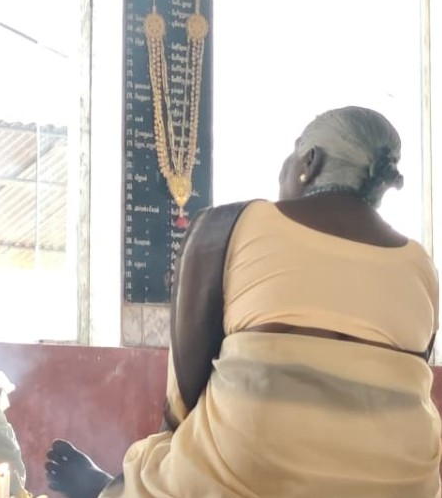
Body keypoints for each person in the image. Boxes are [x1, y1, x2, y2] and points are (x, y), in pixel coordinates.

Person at [46, 106, 442, 498]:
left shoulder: (230, 225)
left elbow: (184, 393)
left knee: (165, 457)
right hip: (407, 483)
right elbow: (402, 381)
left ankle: (114, 490)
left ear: (310, 161)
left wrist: (159, 467)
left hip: (253, 476)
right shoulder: (420, 264)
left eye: (293, 153)